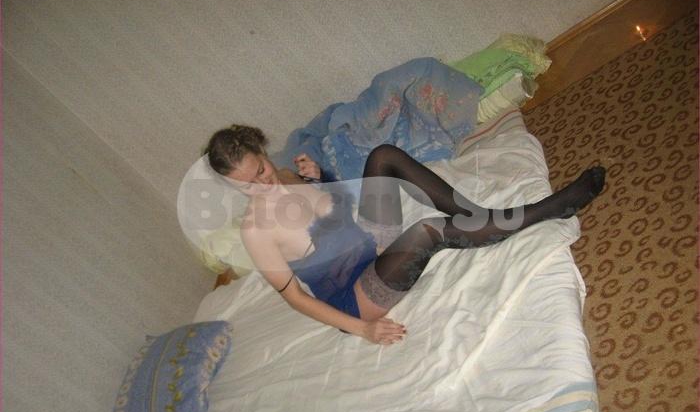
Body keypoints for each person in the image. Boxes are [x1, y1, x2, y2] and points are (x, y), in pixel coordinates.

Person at [204, 124, 606, 346]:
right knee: (428, 231)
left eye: (261, 170)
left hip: (369, 245)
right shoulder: (255, 231)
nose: (263, 184)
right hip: (355, 295)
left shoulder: (287, 174)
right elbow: (296, 299)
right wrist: (362, 329)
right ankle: (548, 210)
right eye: (247, 185)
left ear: (263, 152)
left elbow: (338, 205)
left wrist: (321, 177)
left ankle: (478, 217)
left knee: (383, 156)